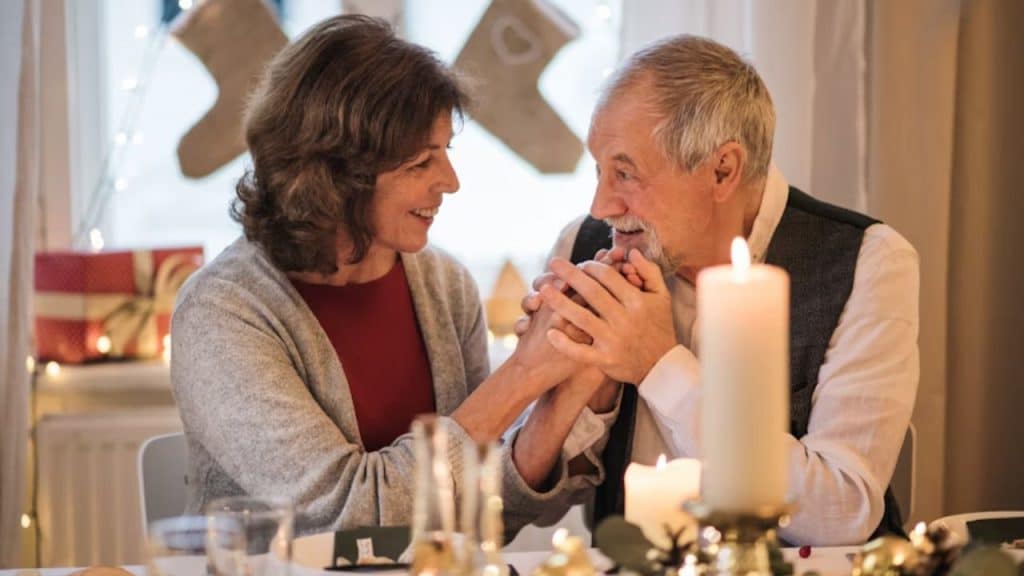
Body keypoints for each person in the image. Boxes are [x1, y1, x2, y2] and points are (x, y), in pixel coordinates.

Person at [170, 15, 608, 537]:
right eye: (421, 163)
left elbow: (483, 509)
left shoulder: (444, 285)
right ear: (335, 175)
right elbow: (346, 517)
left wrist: (575, 374)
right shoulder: (222, 313)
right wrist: (523, 375)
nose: (450, 181)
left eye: (447, 151)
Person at [520, 35, 919, 545]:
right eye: (599, 170)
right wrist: (573, 395)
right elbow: (542, 510)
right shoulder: (586, 245)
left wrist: (658, 365)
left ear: (722, 169)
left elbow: (842, 512)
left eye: (625, 172)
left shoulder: (869, 262)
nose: (601, 205)